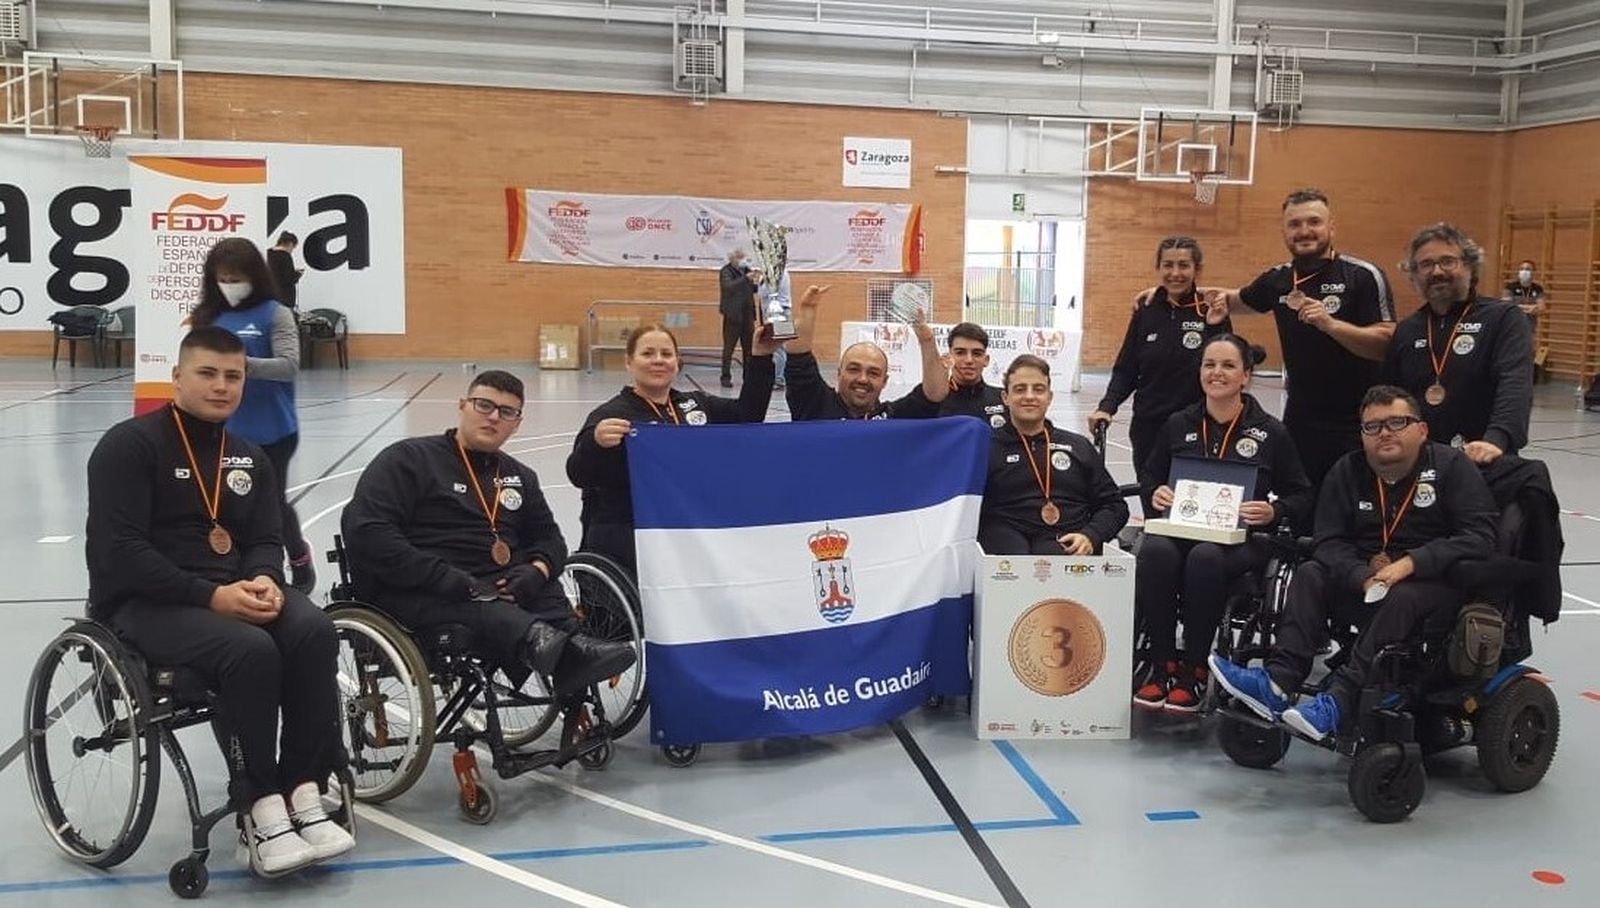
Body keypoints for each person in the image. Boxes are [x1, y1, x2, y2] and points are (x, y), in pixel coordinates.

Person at [86, 327, 353, 877]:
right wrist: (210, 595)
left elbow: (264, 536)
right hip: (146, 604)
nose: (221, 386)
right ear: (177, 377)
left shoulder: (249, 458)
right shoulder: (128, 446)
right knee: (249, 651)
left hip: (232, 591)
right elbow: (121, 551)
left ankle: (303, 787)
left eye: (233, 376)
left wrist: (262, 577)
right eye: (207, 373)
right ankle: (256, 806)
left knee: (313, 631)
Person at [1210, 386, 1497, 741]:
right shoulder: (1347, 471)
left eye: (1397, 422)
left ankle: (1339, 701)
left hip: (1432, 589)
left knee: (1403, 596)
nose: (1384, 433)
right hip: (1364, 583)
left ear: (1421, 430)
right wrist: (1360, 576)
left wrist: (1411, 563)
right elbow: (1328, 541)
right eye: (1372, 427)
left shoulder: (1453, 468)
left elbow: (1480, 537)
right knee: (1312, 572)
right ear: (1362, 435)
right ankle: (1279, 681)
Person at [343, 370, 636, 700]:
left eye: (507, 412)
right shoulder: (407, 460)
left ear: (517, 423)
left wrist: (536, 571)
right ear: (462, 406)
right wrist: (447, 578)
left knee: (545, 596)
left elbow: (550, 539)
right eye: (484, 405)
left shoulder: (519, 475)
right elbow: (368, 532)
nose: (494, 417)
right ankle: (567, 655)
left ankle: (573, 649)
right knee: (493, 611)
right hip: (426, 589)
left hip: (500, 587)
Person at [1153, 189, 1396, 489]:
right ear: (1284, 231)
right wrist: (1169, 293)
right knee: (1300, 497)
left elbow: (1386, 342)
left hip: (1358, 416)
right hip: (1301, 415)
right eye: (1294, 224)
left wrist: (1331, 325)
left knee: (1355, 500)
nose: (1304, 231)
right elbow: (1234, 299)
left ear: (1331, 226)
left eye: (1314, 222)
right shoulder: (1278, 280)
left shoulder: (1362, 275)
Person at [1133, 334, 1312, 713]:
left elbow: (1301, 494)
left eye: (1228, 365)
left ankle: (1195, 668)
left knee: (1205, 557)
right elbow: (1150, 478)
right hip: (1181, 530)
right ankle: (1162, 661)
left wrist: (1274, 512)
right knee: (1155, 550)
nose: (1217, 373)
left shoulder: (1271, 432)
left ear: (1246, 375)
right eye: (1209, 364)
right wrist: (1156, 495)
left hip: (1242, 542)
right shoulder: (1177, 424)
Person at [567, 324, 776, 573]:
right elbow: (578, 474)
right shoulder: (610, 416)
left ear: (677, 362)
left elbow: (748, 415)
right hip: (633, 535)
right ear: (629, 362)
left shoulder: (697, 404)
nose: (658, 360)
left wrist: (761, 358)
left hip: (692, 530)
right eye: (647, 354)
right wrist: (595, 444)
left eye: (666, 354)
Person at [190, 237, 315, 593]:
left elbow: (289, 365)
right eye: (223, 279)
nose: (230, 286)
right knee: (221, 501)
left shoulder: (275, 314)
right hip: (223, 428)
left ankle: (298, 558)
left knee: (271, 503)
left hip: (273, 430)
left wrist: (240, 366)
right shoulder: (209, 316)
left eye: (236, 278)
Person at [1381, 223, 1532, 465]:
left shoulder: (1503, 318)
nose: (1437, 271)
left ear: (1470, 266)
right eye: (1426, 264)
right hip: (1419, 461)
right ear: (1414, 275)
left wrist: (1497, 439)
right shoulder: (1408, 329)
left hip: (1482, 457)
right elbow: (1390, 394)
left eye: (1448, 261)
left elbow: (1514, 383)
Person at [1095, 236, 1230, 483]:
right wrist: (1106, 407)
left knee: (1189, 504)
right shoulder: (1145, 311)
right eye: (1168, 265)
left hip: (1197, 426)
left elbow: (1225, 370)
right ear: (1158, 268)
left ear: (1197, 269)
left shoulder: (1210, 312)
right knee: (1151, 500)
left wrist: (1213, 326)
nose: (1175, 273)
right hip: (1148, 426)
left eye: (1184, 265)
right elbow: (1126, 369)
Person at [979, 355, 1128, 556]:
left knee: (1053, 555)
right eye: (1020, 389)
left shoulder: (1079, 447)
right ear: (1005, 397)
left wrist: (1091, 535)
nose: (1029, 396)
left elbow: (1115, 506)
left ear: (1049, 397)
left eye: (1038, 389)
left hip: (1064, 538)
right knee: (1013, 558)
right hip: (1005, 542)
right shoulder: (986, 448)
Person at [785, 285, 950, 420]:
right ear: (838, 374)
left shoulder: (894, 419)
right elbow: (798, 361)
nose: (863, 379)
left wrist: (927, 341)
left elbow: (933, 396)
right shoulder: (815, 405)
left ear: (885, 381)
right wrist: (808, 310)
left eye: (873, 373)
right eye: (853, 369)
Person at [940, 322, 1007, 426]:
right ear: (949, 358)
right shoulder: (934, 402)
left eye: (976, 354)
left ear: (986, 360)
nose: (969, 360)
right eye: (960, 353)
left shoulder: (1004, 400)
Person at [718, 248, 761, 388]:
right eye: (740, 257)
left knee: (748, 349)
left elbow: (752, 289)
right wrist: (745, 279)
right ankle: (725, 377)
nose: (743, 260)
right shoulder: (726, 271)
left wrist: (760, 282)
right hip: (733, 316)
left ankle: (748, 377)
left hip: (747, 315)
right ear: (733, 259)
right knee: (728, 348)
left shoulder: (746, 270)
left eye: (744, 257)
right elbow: (728, 287)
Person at [757, 267, 792, 388]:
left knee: (778, 347)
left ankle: (779, 379)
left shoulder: (776, 272)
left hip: (779, 312)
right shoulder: (777, 271)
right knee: (781, 347)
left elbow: (764, 292)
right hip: (780, 311)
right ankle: (781, 377)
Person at [1503, 259, 1547, 331]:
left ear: (1533, 272)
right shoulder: (1510, 287)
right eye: (1522, 269)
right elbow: (1506, 305)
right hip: (1512, 326)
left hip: (1529, 327)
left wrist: (1518, 307)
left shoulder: (1538, 288)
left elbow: (1542, 308)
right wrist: (1529, 307)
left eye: (1528, 269)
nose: (1524, 271)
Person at [266, 232, 302, 311]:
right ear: (290, 244)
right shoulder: (285, 256)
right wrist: (297, 274)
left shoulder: (268, 253)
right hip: (284, 299)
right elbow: (288, 279)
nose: (292, 250)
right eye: (293, 247)